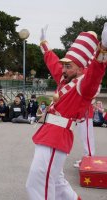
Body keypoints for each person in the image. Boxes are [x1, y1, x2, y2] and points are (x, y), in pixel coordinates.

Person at [26, 24, 107, 200]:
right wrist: (44, 43)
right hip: (49, 135)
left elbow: (95, 73)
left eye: (68, 66)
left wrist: (103, 50)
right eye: (64, 66)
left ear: (79, 68)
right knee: (55, 181)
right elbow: (52, 62)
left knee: (39, 182)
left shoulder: (84, 86)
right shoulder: (66, 79)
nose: (62, 70)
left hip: (56, 138)